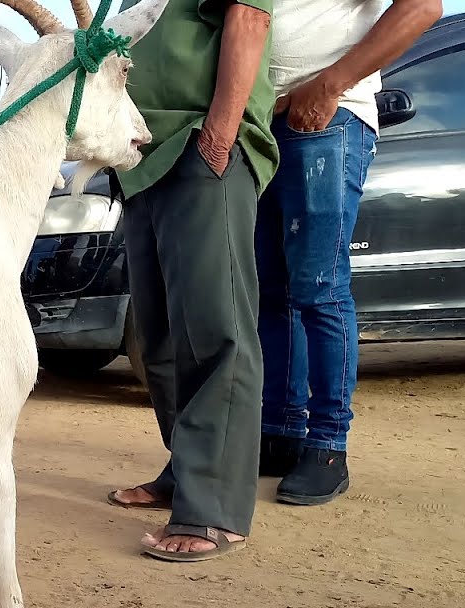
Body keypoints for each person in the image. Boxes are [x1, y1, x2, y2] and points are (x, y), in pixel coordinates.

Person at [106, 0, 277, 561]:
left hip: (199, 142)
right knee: (158, 339)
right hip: (141, 154)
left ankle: (214, 509)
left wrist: (220, 136)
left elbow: (248, 18)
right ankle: (187, 472)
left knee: (214, 330)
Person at [255, 0, 442, 504]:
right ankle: (280, 431)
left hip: (329, 118)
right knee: (273, 291)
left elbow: (423, 6)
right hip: (260, 122)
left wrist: (332, 82)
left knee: (319, 286)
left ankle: (329, 445)